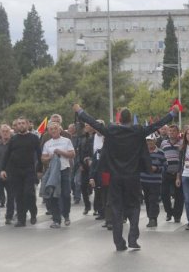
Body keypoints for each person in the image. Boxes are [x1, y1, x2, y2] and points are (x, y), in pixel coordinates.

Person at [74, 103, 177, 251]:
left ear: (120, 119)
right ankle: (133, 239)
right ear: (130, 119)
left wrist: (80, 112)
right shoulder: (138, 130)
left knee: (117, 208)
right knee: (134, 206)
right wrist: (172, 114)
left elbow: (94, 123)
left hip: (115, 177)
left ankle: (118, 242)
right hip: (133, 176)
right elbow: (156, 126)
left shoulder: (111, 130)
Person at [0, 117, 41, 228]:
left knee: (29, 193)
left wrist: (40, 170)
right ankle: (21, 219)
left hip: (29, 170)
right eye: (19, 124)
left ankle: (33, 212)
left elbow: (39, 154)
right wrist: (3, 169)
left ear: (27, 125)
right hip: (15, 171)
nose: (21, 125)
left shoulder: (34, 138)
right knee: (19, 195)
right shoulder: (13, 139)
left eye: (23, 123)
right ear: (16, 126)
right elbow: (7, 155)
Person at [41, 122, 76, 228]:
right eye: (51, 129)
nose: (53, 130)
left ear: (60, 130)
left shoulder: (66, 141)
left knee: (65, 194)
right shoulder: (47, 143)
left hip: (64, 170)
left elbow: (72, 154)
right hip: (52, 172)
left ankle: (66, 215)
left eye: (55, 128)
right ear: (49, 131)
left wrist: (61, 152)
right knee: (53, 195)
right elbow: (43, 158)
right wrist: (50, 157)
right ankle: (56, 219)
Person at [141, 134, 167, 227]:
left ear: (155, 141)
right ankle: (150, 217)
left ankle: (153, 218)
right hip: (144, 180)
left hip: (155, 181)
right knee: (147, 200)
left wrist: (157, 168)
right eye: (147, 141)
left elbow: (165, 166)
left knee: (153, 200)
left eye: (151, 141)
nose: (149, 143)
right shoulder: (142, 152)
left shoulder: (160, 152)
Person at [160, 125, 184, 223]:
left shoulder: (182, 143)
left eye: (174, 131)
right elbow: (161, 156)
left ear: (178, 132)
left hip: (178, 173)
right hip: (166, 172)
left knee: (179, 196)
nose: (171, 133)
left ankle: (177, 215)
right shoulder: (163, 143)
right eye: (170, 131)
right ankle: (169, 212)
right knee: (164, 194)